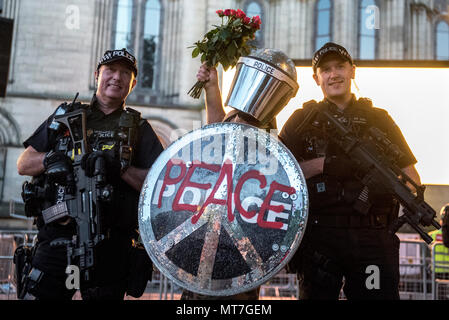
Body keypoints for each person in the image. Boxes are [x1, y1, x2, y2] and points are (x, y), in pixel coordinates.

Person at [16, 48, 164, 300]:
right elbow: (24, 163)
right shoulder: (66, 116)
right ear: (97, 75)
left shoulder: (139, 129)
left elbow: (159, 186)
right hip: (56, 241)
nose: (116, 77)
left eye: (125, 73)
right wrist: (52, 159)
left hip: (110, 248)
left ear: (133, 83)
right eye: (110, 70)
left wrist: (121, 169)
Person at [279, 42, 421, 300]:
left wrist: (391, 185)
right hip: (319, 238)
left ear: (352, 71)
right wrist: (324, 165)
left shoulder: (379, 119)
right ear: (316, 78)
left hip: (372, 238)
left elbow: (411, 177)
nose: (334, 74)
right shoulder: (302, 120)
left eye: (340, 67)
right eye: (326, 69)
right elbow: (279, 173)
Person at [180, 48, 298, 300]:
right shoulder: (235, 116)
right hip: (207, 232)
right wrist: (212, 87)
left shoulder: (264, 126)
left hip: (238, 240)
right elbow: (218, 135)